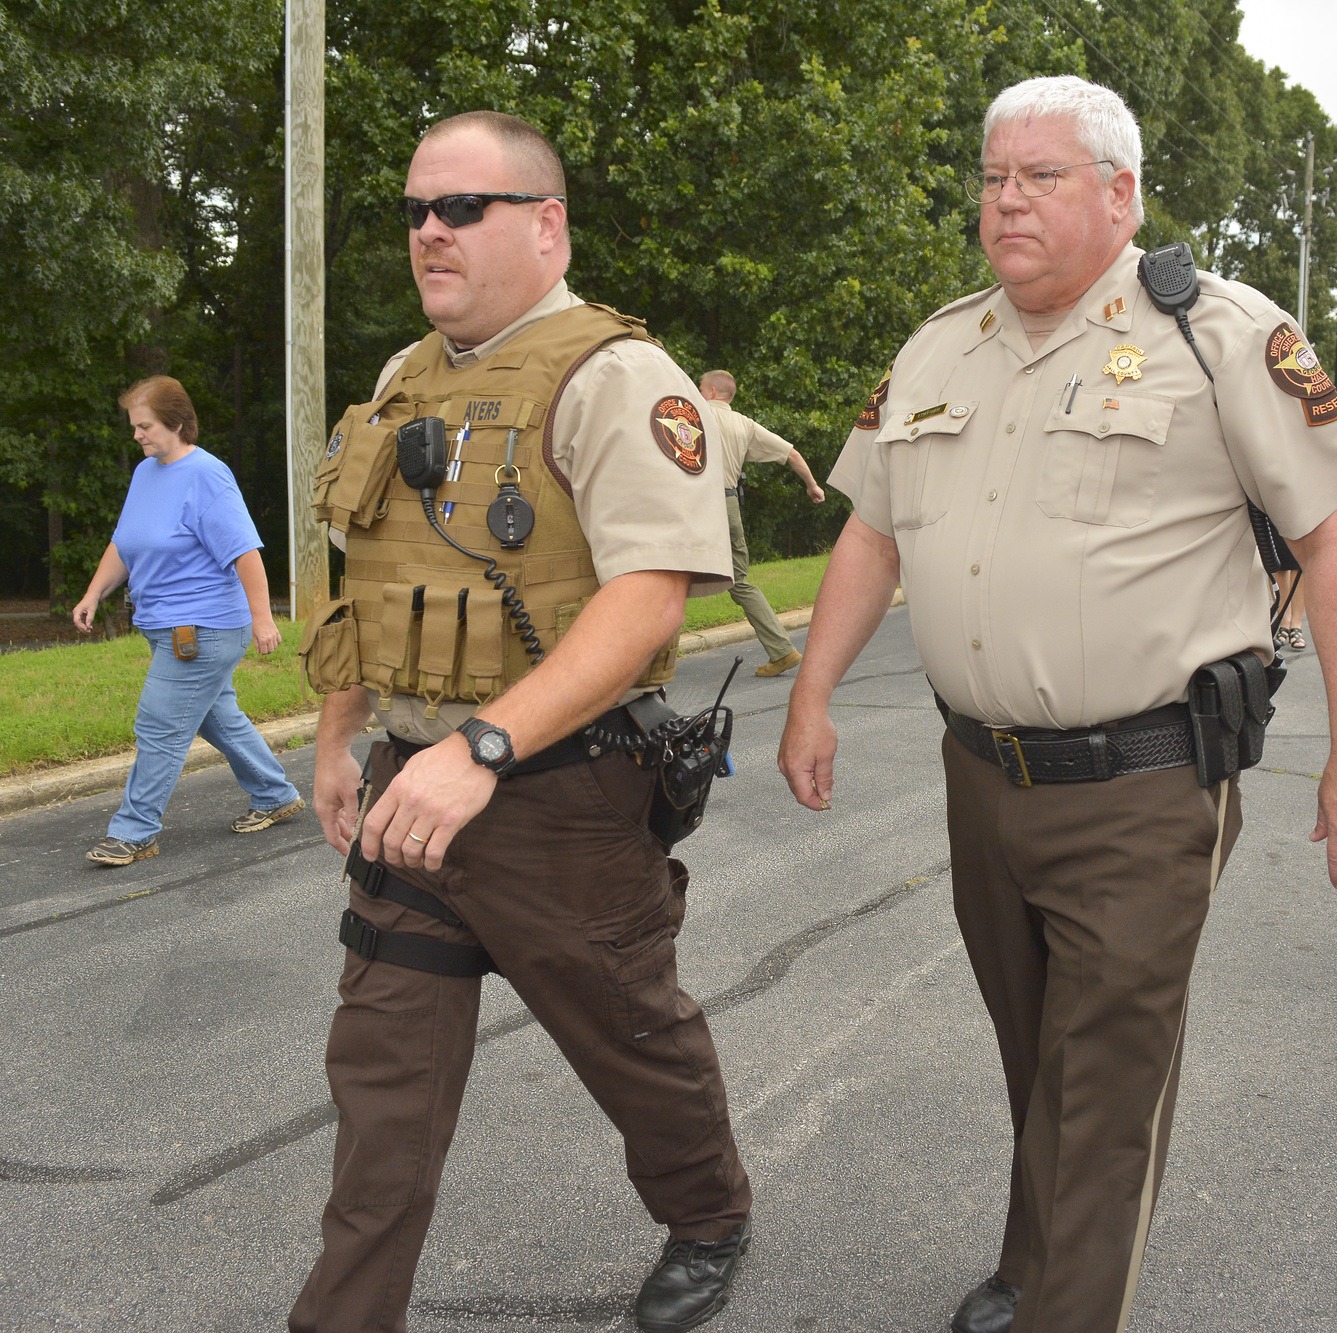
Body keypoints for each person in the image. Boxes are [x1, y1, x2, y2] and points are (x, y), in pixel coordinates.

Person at [777, 77, 1337, 1333]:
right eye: (993, 176)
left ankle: (1070, 1305)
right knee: (1038, 1052)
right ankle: (1032, 1263)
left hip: (1145, 781)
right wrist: (811, 696)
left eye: (1041, 176)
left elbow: (1333, 539)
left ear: (1118, 194)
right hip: (981, 777)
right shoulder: (937, 344)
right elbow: (869, 534)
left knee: (1106, 1084)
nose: (1005, 201)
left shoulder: (1215, 333)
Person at [289, 110, 752, 1333]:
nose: (427, 233)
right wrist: (342, 737)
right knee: (379, 1082)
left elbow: (649, 594)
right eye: (413, 212)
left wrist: (483, 746)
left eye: (460, 209)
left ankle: (707, 1214)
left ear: (545, 227)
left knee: (631, 1041)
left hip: (563, 796)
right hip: (410, 785)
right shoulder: (403, 378)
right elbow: (368, 580)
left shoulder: (617, 377)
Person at [72, 375, 303, 866]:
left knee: (158, 725)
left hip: (203, 629)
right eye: (134, 426)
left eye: (145, 426)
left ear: (177, 422)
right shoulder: (146, 473)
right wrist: (95, 592)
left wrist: (264, 619)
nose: (137, 435)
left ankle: (134, 831)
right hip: (164, 627)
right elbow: (125, 542)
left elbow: (246, 553)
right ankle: (275, 794)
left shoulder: (207, 475)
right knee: (219, 718)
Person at [696, 369, 826, 676]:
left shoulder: (693, 413)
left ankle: (647, 666)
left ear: (712, 392)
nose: (698, 392)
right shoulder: (744, 424)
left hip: (697, 505)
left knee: (670, 576)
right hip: (728, 507)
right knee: (740, 583)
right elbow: (791, 453)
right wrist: (812, 485)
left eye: (700, 388)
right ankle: (782, 651)